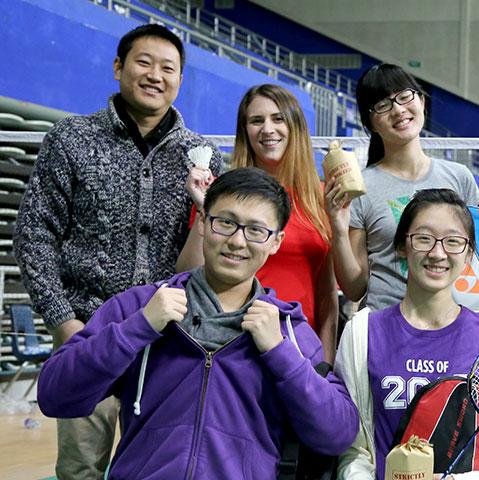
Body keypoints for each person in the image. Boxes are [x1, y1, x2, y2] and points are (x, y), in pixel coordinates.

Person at [37, 167, 359, 478]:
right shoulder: (140, 307)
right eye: (225, 223)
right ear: (203, 222)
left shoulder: (288, 331)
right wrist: (139, 328)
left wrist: (280, 353)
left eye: (256, 230)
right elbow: (55, 393)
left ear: (275, 241)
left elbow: (337, 433)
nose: (237, 241)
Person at [12, 23, 222, 478]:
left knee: (156, 464)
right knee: (81, 466)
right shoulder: (72, 139)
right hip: (87, 330)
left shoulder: (201, 155)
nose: (155, 75)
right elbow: (33, 234)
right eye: (143, 62)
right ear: (118, 68)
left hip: (171, 344)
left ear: (180, 80)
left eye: (168, 68)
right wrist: (63, 321)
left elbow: (212, 254)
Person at [334, 188, 479, 479]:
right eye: (424, 238)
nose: (438, 253)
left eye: (453, 242)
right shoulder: (362, 334)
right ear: (401, 246)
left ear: (469, 255)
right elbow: (353, 450)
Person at [179, 84, 339, 361]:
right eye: (256, 120)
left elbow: (327, 296)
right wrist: (204, 207)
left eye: (278, 119)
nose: (268, 129)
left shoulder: (322, 197)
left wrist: (325, 363)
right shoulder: (221, 193)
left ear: (295, 126)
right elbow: (189, 273)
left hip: (298, 346)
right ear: (245, 132)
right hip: (231, 343)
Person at [326, 63, 479, 312]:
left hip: (449, 322)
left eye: (404, 96)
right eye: (383, 105)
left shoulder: (459, 178)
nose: (398, 110)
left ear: (421, 101)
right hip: (385, 326)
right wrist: (338, 227)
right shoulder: (360, 188)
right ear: (370, 124)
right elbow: (355, 288)